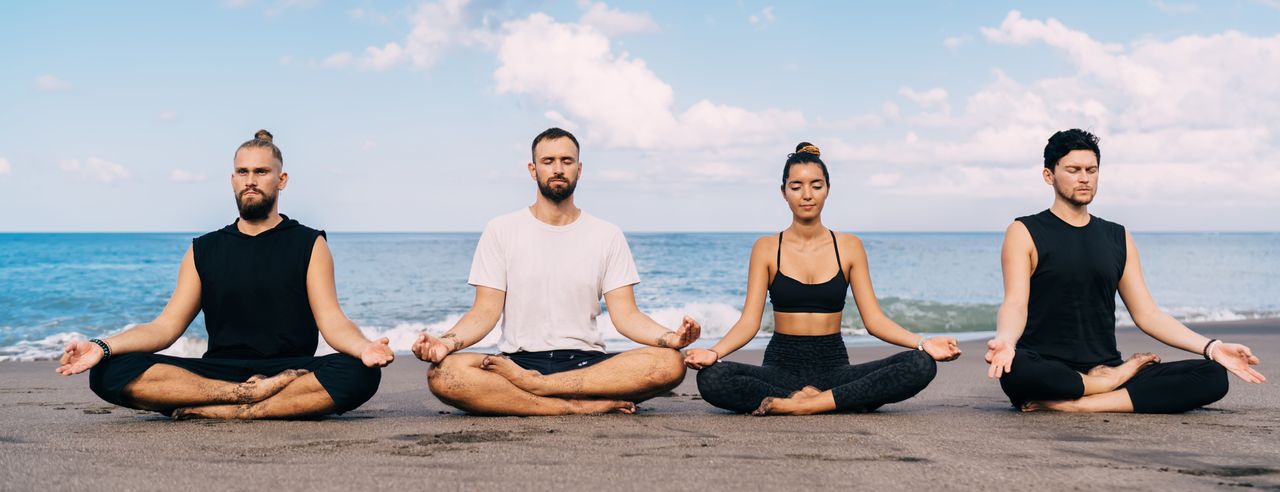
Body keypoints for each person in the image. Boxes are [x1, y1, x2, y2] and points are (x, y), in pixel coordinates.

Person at [56, 130, 394, 419]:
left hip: (293, 369)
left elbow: (333, 322)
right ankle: (243, 398)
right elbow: (164, 327)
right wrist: (102, 346)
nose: (251, 180)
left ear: (282, 179)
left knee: (360, 372)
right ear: (233, 179)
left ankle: (233, 411)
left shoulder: (310, 243)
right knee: (109, 372)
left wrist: (364, 348)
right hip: (220, 371)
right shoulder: (204, 249)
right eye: (242, 172)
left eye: (261, 171)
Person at [413, 127, 699, 415]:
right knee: (445, 373)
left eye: (567, 161)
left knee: (670, 363)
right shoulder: (501, 230)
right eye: (548, 161)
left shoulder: (607, 234)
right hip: (516, 363)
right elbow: (484, 312)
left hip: (587, 366)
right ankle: (568, 406)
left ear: (579, 168)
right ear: (533, 169)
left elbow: (627, 316)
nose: (558, 169)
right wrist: (445, 342)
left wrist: (670, 338)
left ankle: (542, 390)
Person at [985, 128, 1265, 413]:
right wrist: (1006, 341)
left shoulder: (1117, 236)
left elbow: (1148, 314)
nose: (1084, 178)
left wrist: (1213, 347)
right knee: (1016, 368)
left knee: (1213, 375)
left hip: (1105, 365)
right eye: (1073, 169)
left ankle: (1082, 404)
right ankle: (1106, 384)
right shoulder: (1024, 231)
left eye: (1091, 170)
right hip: (1049, 368)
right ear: (1049, 175)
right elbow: (1016, 303)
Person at [686, 143, 961, 415]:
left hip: (834, 369)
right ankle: (828, 401)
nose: (807, 195)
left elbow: (875, 322)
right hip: (779, 369)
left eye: (816, 186)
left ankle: (808, 404)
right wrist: (715, 352)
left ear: (828, 189)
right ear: (784, 192)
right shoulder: (767, 248)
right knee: (712, 378)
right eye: (796, 187)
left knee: (921, 364)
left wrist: (924, 343)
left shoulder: (849, 246)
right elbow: (749, 322)